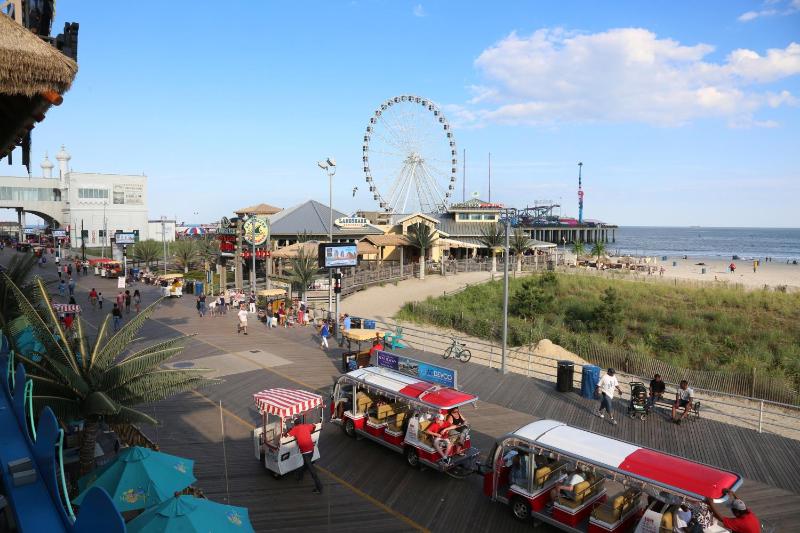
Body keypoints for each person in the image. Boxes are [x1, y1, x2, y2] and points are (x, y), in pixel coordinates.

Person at [286, 417, 322, 494]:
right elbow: (314, 426)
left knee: (312, 471)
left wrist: (289, 430)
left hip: (305, 452)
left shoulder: (295, 429)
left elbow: (287, 435)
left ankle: (319, 488)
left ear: (295, 424)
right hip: (311, 450)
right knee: (306, 464)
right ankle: (299, 476)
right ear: (300, 422)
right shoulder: (306, 426)